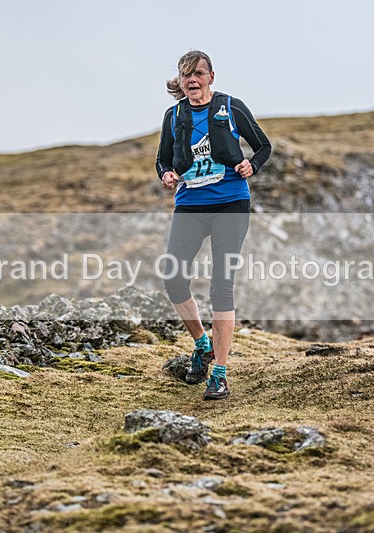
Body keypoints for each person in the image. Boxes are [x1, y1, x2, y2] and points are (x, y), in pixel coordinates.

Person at [156, 51, 271, 400]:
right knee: (173, 278)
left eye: (199, 74)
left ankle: (219, 373)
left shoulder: (230, 107)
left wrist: (253, 166)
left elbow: (263, 146)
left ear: (211, 77)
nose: (192, 80)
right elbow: (162, 158)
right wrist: (167, 174)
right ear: (180, 79)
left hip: (231, 202)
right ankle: (202, 344)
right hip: (190, 203)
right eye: (186, 74)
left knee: (222, 285)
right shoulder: (173, 115)